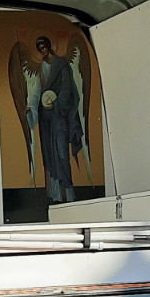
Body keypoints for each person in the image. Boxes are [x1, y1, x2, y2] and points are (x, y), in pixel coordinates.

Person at [34, 36, 84, 203]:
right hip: (45, 119)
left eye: (44, 46)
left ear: (49, 46)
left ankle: (69, 194)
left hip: (59, 115)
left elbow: (67, 88)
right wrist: (32, 105)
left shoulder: (61, 65)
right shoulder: (40, 67)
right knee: (49, 154)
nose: (43, 50)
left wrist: (55, 104)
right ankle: (56, 195)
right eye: (39, 48)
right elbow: (36, 90)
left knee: (62, 154)